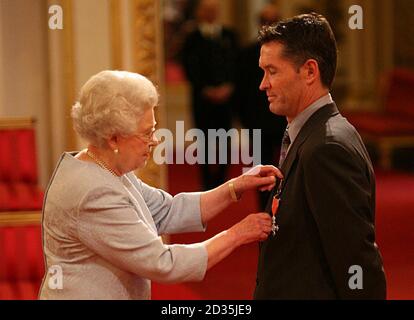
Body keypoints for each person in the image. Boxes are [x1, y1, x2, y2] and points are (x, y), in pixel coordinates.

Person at [38, 70, 281, 300]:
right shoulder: (93, 191)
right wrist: (237, 234)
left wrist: (235, 186)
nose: (155, 141)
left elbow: (168, 210)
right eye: (146, 133)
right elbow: (163, 263)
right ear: (114, 138)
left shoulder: (107, 168)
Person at [254, 13, 386, 299]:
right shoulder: (312, 133)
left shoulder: (327, 148)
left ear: (310, 72)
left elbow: (357, 263)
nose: (263, 84)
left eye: (272, 71)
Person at [181, 0, 239, 190]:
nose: (210, 13)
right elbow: (187, 66)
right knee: (204, 140)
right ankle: (206, 180)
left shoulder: (229, 35)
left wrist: (228, 87)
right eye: (206, 10)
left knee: (225, 138)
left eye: (213, 10)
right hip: (202, 99)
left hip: (226, 99)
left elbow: (236, 64)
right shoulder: (192, 38)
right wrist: (205, 89)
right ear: (199, 12)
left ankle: (222, 178)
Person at [236, 3, 287, 210]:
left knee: (287, 168)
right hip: (257, 121)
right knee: (261, 170)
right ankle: (264, 210)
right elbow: (241, 90)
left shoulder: (289, 56)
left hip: (284, 119)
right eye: (267, 23)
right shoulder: (248, 53)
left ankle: (285, 208)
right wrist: (245, 119)